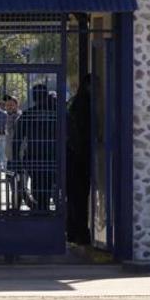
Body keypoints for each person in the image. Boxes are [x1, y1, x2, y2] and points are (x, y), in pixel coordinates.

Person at [14, 84, 57, 211]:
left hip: (34, 157)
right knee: (49, 187)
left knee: (37, 187)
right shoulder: (55, 114)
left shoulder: (28, 115)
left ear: (33, 97)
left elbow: (17, 139)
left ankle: (40, 211)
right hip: (52, 157)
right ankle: (46, 210)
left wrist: (17, 160)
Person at [66, 76, 92, 245]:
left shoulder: (74, 103)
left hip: (73, 155)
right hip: (79, 156)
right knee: (79, 197)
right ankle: (79, 232)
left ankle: (74, 231)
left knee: (75, 197)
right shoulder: (84, 104)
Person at [3, 94, 26, 209]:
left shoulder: (19, 118)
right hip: (10, 158)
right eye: (7, 105)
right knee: (13, 184)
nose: (8, 107)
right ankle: (15, 207)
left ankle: (16, 208)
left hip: (19, 157)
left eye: (11, 105)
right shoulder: (9, 118)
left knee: (19, 185)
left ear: (17, 105)